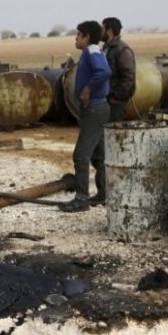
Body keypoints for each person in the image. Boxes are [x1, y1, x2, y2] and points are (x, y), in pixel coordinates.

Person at [63, 20, 110, 212]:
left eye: (78, 34)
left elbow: (104, 72)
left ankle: (81, 199)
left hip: (94, 109)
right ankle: (103, 193)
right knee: (99, 155)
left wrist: (88, 89)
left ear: (87, 36)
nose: (75, 38)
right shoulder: (91, 52)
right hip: (95, 109)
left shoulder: (92, 51)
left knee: (81, 155)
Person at [102, 17, 136, 123]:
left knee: (114, 132)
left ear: (109, 31)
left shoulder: (122, 50)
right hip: (107, 99)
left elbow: (128, 76)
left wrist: (117, 96)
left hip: (116, 102)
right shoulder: (107, 48)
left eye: (102, 29)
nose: (100, 32)